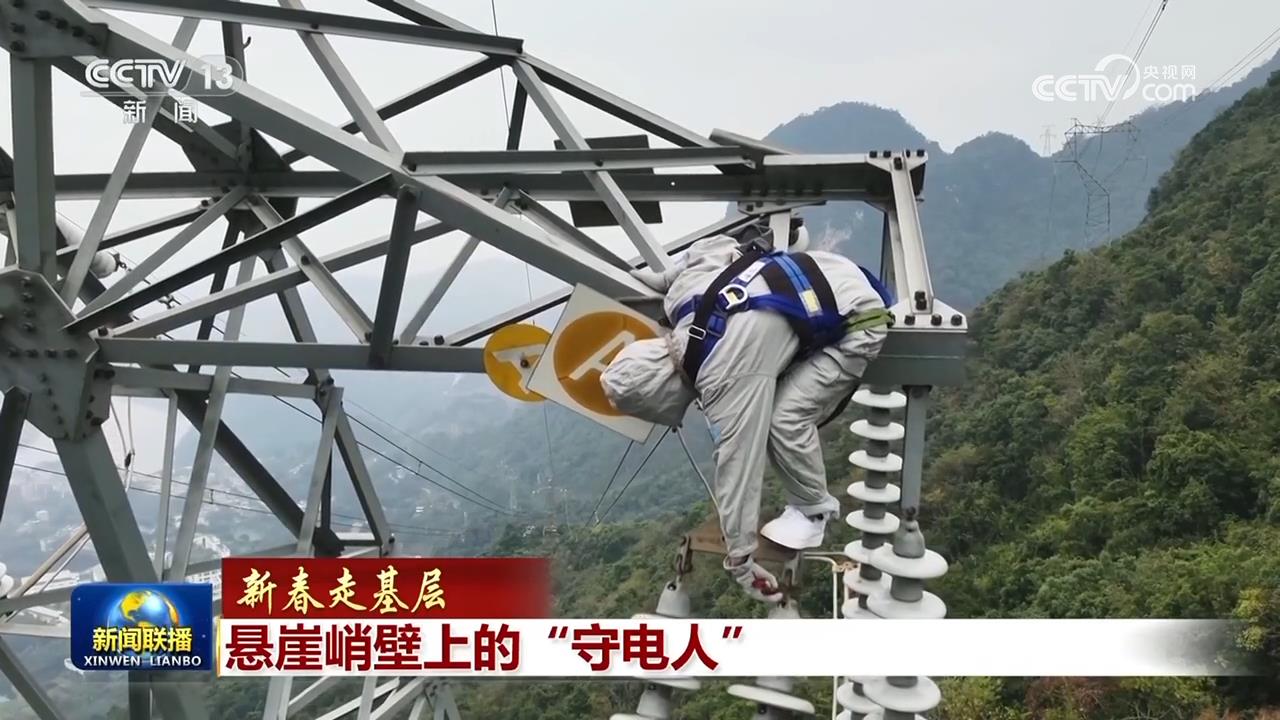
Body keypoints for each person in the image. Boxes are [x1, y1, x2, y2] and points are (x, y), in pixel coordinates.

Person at [600, 218, 893, 603]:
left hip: (860, 318)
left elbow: (737, 472)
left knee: (783, 419)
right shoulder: (682, 302)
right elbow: (709, 249)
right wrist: (668, 275)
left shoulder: (724, 379)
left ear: (661, 398)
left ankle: (813, 511)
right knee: (776, 384)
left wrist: (740, 562)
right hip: (829, 270)